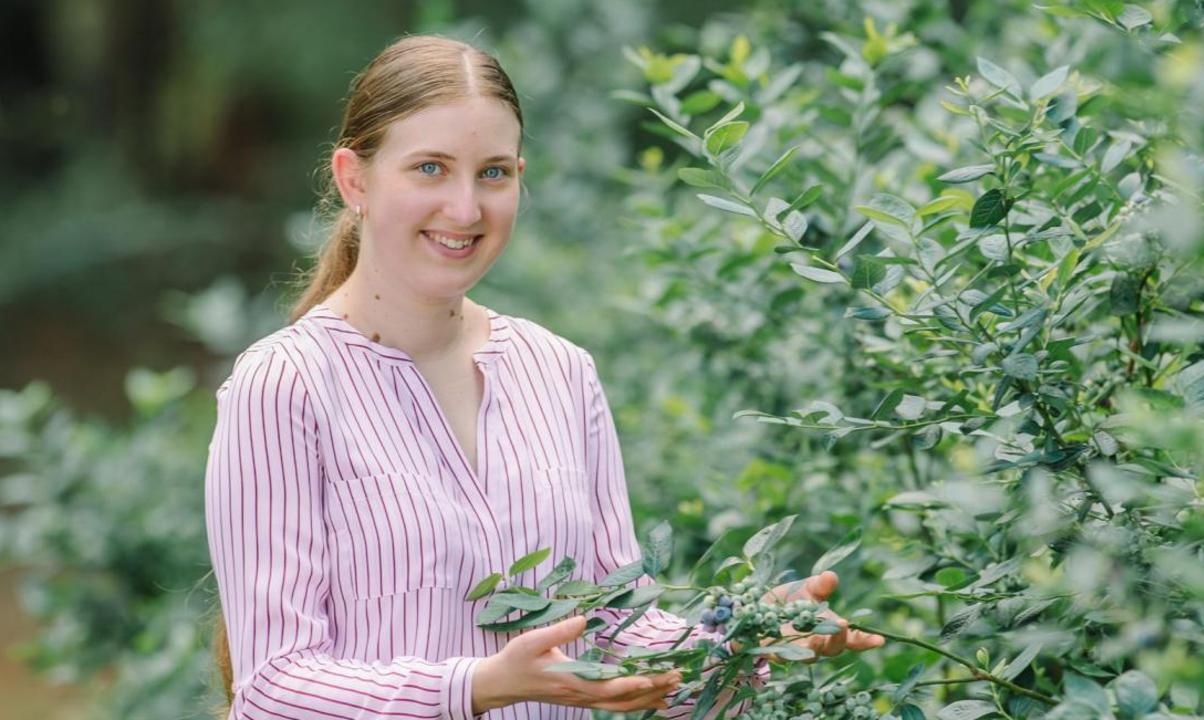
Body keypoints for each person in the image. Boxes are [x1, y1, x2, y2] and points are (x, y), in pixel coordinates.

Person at [204, 33, 883, 720]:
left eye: (493, 173)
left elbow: (616, 631)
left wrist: (747, 645)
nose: (466, 209)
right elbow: (275, 689)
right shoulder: (285, 386)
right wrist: (476, 686)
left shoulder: (559, 371)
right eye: (430, 169)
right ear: (355, 179)